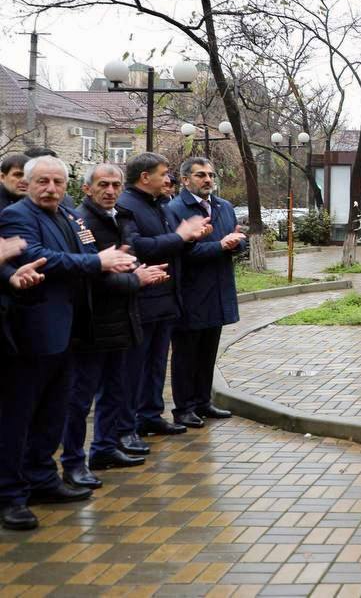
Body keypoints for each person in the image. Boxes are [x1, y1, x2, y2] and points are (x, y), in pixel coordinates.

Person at [0, 156, 135, 531]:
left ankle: (42, 479)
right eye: (43, 181)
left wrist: (110, 261)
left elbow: (87, 256)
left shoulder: (68, 216)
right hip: (32, 333)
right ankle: (10, 495)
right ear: (28, 184)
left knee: (52, 414)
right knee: (18, 418)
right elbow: (40, 259)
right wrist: (97, 263)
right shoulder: (17, 216)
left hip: (69, 331)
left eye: (58, 181)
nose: (52, 188)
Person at [64, 163, 169, 487]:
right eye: (103, 185)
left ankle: (105, 448)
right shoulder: (82, 222)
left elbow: (127, 257)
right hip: (93, 324)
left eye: (115, 185)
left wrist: (134, 269)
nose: (110, 191)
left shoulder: (119, 217)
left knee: (116, 389)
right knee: (81, 400)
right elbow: (91, 275)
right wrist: (134, 278)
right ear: (87, 189)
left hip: (122, 318)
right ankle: (72, 462)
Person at [117, 153, 211, 438]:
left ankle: (150, 414)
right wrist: (181, 237)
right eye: (163, 173)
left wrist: (190, 238)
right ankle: (128, 425)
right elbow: (137, 246)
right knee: (135, 368)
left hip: (167, 298)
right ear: (145, 177)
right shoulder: (127, 206)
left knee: (157, 365)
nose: (168, 179)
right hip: (143, 299)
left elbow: (171, 244)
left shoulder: (159, 204)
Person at [166, 157, 245, 427]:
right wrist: (221, 246)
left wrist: (236, 244)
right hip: (191, 291)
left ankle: (203, 401)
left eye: (210, 174)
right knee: (186, 353)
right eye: (200, 175)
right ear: (185, 179)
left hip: (218, 289)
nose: (208, 180)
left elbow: (233, 243)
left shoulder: (224, 206)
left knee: (208, 350)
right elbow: (180, 253)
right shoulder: (175, 209)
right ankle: (184, 407)